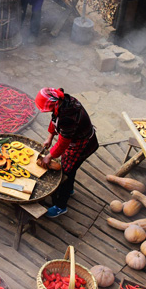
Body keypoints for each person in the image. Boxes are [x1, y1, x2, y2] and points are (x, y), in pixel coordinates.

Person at [35, 87, 99, 218]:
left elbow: (63, 143)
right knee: (72, 169)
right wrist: (49, 137)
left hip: (82, 145)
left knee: (65, 173)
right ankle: (70, 189)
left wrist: (49, 156)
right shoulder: (62, 101)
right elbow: (54, 119)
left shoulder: (67, 117)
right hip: (79, 140)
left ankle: (60, 206)